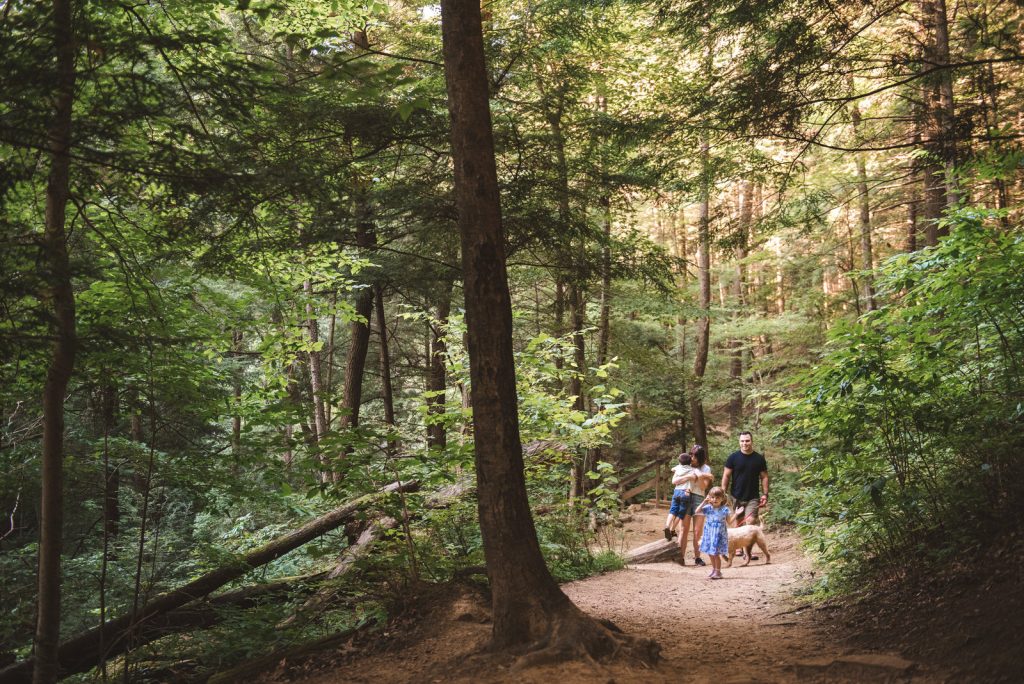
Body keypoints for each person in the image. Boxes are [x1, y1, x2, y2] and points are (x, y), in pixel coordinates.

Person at [720, 431, 769, 526]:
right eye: (742, 441)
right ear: (739, 442)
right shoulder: (733, 458)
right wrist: (723, 493)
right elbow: (726, 475)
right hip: (736, 497)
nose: (744, 443)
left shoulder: (759, 459)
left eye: (747, 441)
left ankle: (750, 539)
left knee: (750, 523)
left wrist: (765, 494)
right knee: (738, 524)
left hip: (753, 498)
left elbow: (764, 477)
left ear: (752, 441)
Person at [675, 444, 713, 566]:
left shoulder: (706, 468)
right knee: (683, 529)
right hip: (685, 497)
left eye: (695, 456)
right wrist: (693, 475)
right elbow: (675, 480)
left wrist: (701, 475)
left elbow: (703, 487)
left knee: (697, 531)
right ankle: (680, 557)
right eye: (691, 455)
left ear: (701, 458)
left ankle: (698, 557)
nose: (692, 458)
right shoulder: (684, 465)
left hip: (699, 499)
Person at [696, 486, 731, 579]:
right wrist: (704, 501)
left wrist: (737, 514)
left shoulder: (724, 509)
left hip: (718, 534)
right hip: (709, 533)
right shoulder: (708, 508)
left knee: (715, 553)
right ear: (709, 497)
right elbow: (696, 511)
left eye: (718, 497)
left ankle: (718, 572)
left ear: (722, 498)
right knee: (710, 553)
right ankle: (714, 569)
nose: (715, 499)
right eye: (713, 497)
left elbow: (730, 522)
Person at [664, 452, 693, 541]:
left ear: (680, 462)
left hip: (677, 491)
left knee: (672, 511)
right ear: (690, 462)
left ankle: (667, 526)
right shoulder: (692, 470)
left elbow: (672, 469)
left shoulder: (678, 468)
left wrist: (677, 468)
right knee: (681, 514)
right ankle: (672, 530)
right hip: (686, 492)